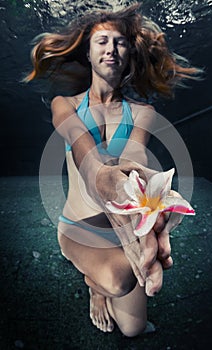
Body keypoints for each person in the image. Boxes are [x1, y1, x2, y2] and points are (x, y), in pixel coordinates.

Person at [25, 3, 201, 337]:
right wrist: (97, 176)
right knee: (117, 280)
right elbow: (79, 142)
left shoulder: (143, 112)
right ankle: (94, 285)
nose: (111, 48)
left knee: (134, 329)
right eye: (102, 41)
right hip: (78, 226)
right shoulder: (65, 104)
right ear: (89, 54)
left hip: (119, 224)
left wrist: (138, 188)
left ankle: (102, 282)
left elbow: (132, 154)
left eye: (120, 42)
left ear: (129, 56)